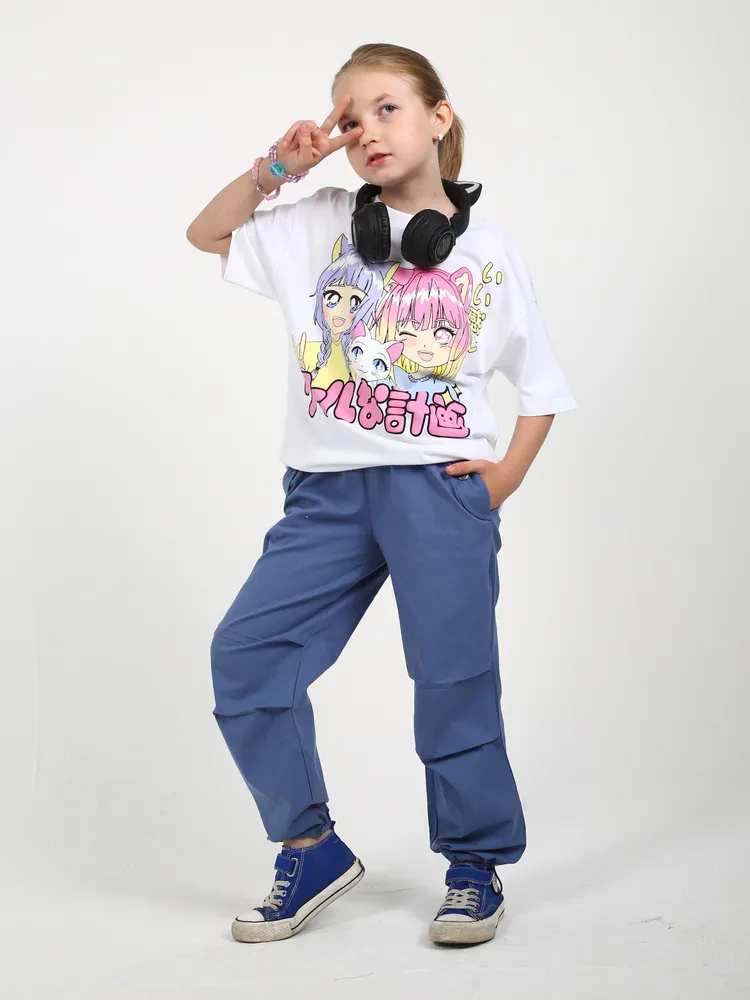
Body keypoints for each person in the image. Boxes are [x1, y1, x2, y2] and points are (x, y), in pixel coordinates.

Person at [186, 42, 577, 948]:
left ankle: (473, 865)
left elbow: (542, 387)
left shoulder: (487, 251)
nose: (366, 128)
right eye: (349, 117)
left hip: (438, 494)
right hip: (325, 495)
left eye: (386, 107)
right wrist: (280, 167)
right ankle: (311, 847)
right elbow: (207, 233)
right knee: (246, 658)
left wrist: (503, 479)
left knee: (453, 678)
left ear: (439, 117)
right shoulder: (315, 222)